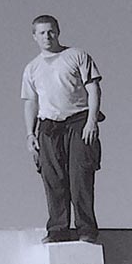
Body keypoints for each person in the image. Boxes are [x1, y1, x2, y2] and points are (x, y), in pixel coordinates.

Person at [21, 14, 103, 243]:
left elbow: (94, 89)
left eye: (51, 31)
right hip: (48, 126)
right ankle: (58, 229)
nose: (47, 36)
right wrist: (30, 134)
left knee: (80, 175)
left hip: (78, 121)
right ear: (34, 37)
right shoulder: (32, 68)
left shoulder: (76, 56)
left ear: (58, 32)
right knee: (53, 177)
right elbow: (30, 102)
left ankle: (86, 229)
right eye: (42, 33)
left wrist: (92, 120)